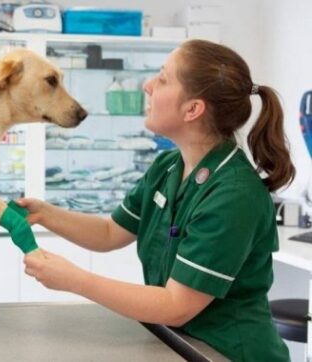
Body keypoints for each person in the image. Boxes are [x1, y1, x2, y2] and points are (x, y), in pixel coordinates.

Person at [20, 39, 294, 361]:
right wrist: (44, 213)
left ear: (193, 109)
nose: (148, 86)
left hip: (230, 353)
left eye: (162, 78)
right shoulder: (168, 167)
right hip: (181, 345)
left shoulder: (233, 194)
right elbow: (109, 232)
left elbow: (176, 306)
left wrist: (76, 280)